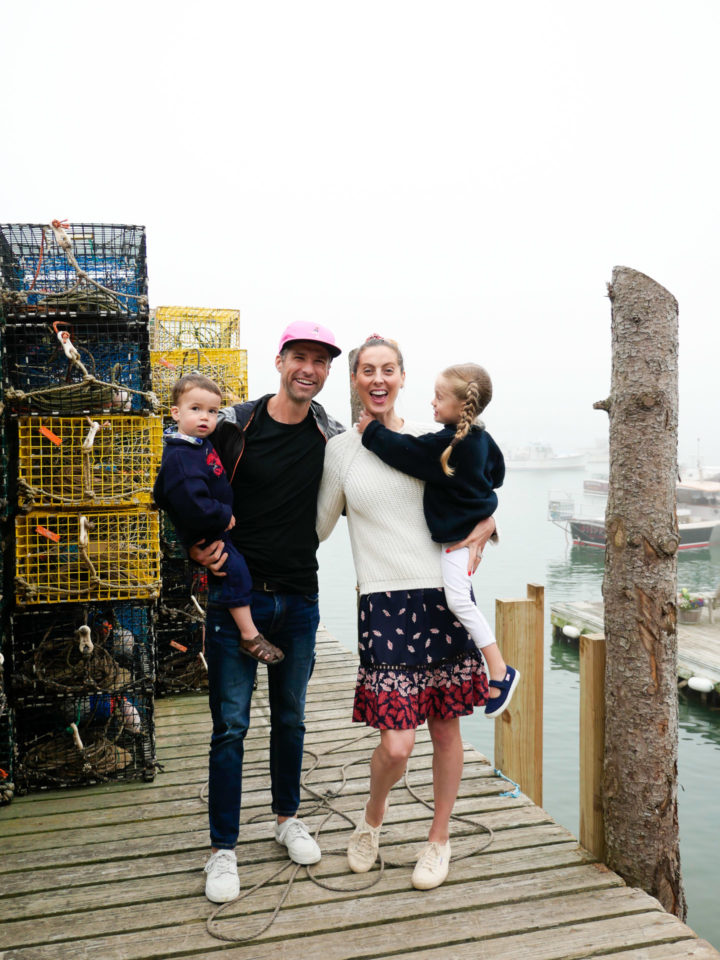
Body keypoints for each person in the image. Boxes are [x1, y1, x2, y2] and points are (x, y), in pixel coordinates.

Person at [316, 335, 497, 891]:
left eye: (388, 370)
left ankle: (438, 840)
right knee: (396, 742)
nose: (377, 379)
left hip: (441, 600)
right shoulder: (341, 452)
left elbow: (474, 487)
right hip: (383, 602)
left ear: (401, 378)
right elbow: (315, 529)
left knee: (446, 732)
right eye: (367, 370)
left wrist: (489, 525)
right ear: (354, 380)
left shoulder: (431, 442)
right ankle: (373, 817)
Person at [189, 322, 344, 903]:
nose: (308, 368)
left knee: (292, 719)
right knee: (231, 725)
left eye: (320, 361)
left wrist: (479, 521)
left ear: (327, 372)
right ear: (279, 361)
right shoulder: (234, 424)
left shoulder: (331, 434)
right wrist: (189, 544)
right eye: (299, 357)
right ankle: (222, 849)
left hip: (301, 598)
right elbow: (182, 479)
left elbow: (386, 485)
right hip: (237, 601)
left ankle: (286, 819)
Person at [356, 362, 519, 718]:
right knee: (460, 599)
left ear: (463, 406)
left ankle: (501, 670)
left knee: (460, 602)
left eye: (439, 397)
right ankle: (499, 669)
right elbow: (498, 474)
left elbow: (405, 451)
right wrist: (482, 508)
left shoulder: (449, 444)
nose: (432, 402)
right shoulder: (481, 438)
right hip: (464, 531)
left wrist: (369, 432)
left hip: (457, 539)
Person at [153, 373, 284, 666]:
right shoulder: (182, 456)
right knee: (236, 572)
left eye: (212, 411)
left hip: (211, 525)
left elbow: (160, 492)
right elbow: (192, 502)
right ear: (175, 412)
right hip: (209, 528)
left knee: (234, 570)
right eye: (196, 409)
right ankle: (249, 635)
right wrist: (223, 515)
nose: (205, 418)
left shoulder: (196, 444)